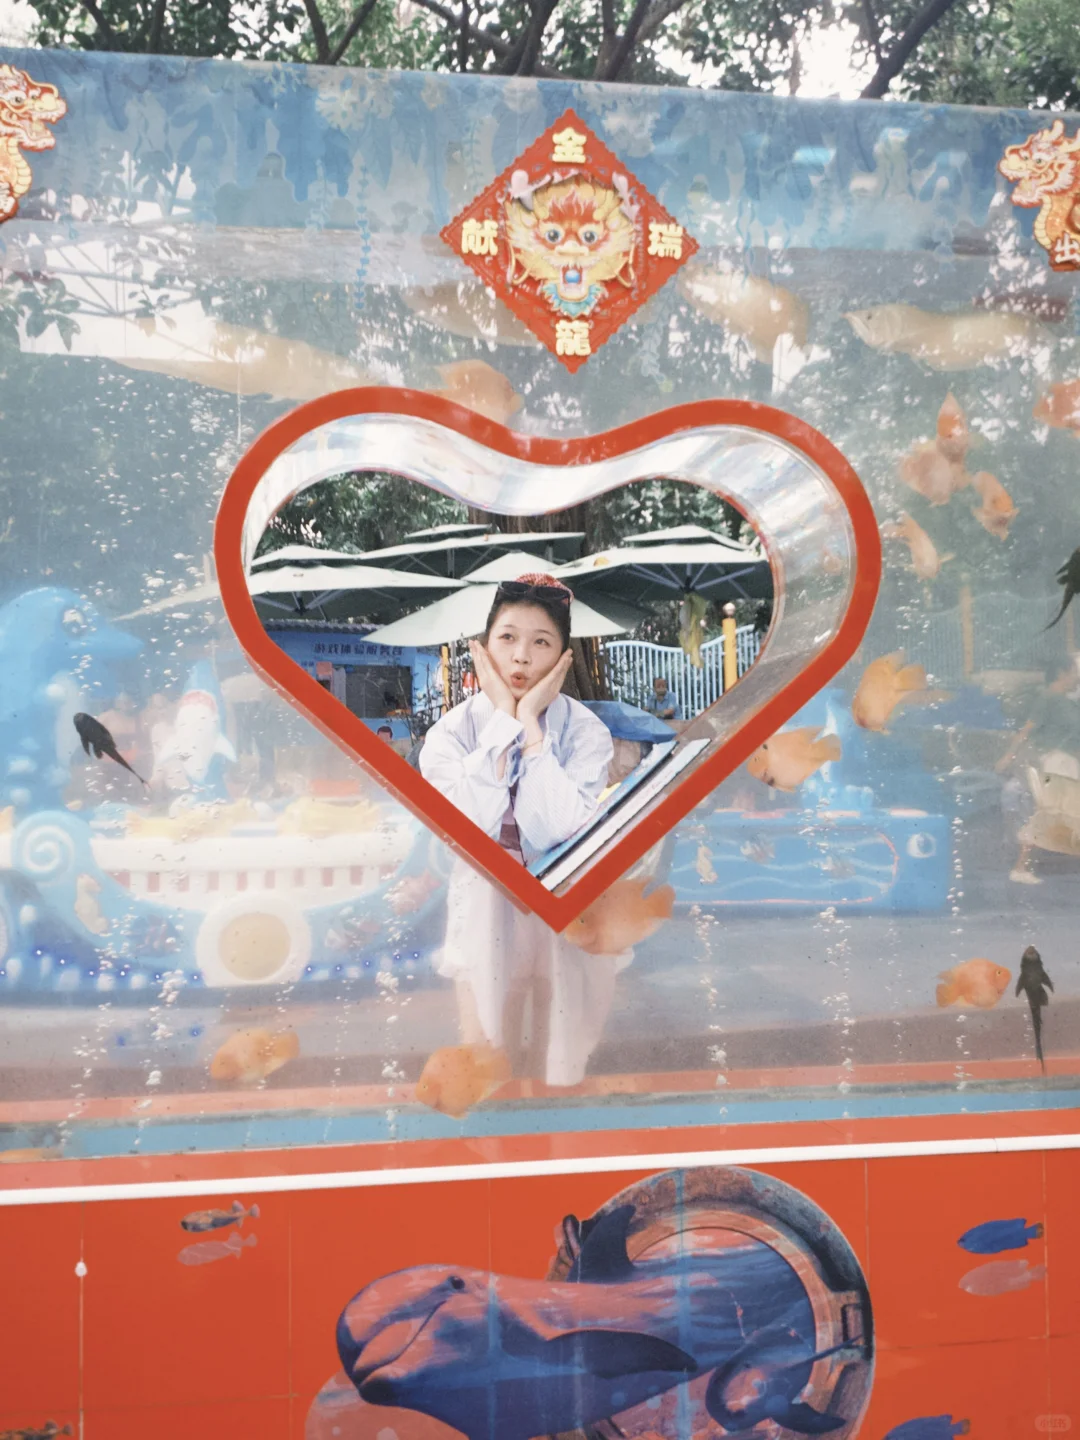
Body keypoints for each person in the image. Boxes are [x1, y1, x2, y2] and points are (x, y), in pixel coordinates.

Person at [419, 573, 628, 1086]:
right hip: (485, 899)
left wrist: (530, 726)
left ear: (563, 659)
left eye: (541, 643)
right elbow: (469, 826)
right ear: (482, 648)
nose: (521, 658)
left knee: (560, 1049)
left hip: (566, 900)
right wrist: (503, 723)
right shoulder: (450, 733)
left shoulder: (585, 732)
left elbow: (556, 829)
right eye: (508, 638)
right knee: (487, 1052)